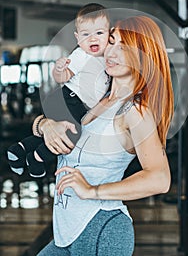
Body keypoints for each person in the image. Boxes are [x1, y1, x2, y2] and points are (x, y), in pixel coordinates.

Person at [34, 14, 174, 256]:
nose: (111, 52)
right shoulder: (96, 96)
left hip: (101, 227)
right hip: (65, 231)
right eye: (111, 42)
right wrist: (45, 125)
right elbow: (51, 121)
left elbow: (160, 178)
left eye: (124, 47)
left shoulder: (134, 111)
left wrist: (92, 191)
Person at [7, 3, 111, 178]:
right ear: (78, 38)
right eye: (86, 35)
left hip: (73, 101)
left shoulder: (106, 57)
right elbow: (61, 78)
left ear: (109, 33)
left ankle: (18, 151)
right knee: (73, 134)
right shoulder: (81, 55)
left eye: (99, 33)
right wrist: (59, 69)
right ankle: (37, 159)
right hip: (69, 98)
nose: (93, 39)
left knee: (57, 132)